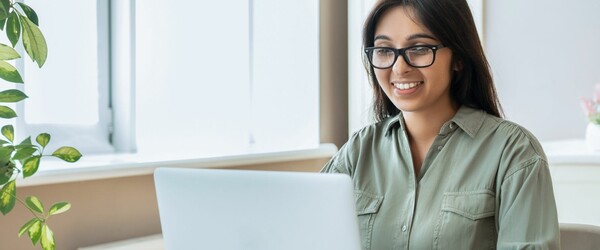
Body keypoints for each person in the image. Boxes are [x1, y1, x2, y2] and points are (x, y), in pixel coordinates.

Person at [320, 0, 560, 249]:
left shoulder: (515, 153)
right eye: (384, 50)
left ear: (458, 58)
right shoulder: (358, 151)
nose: (399, 67)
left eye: (420, 48)